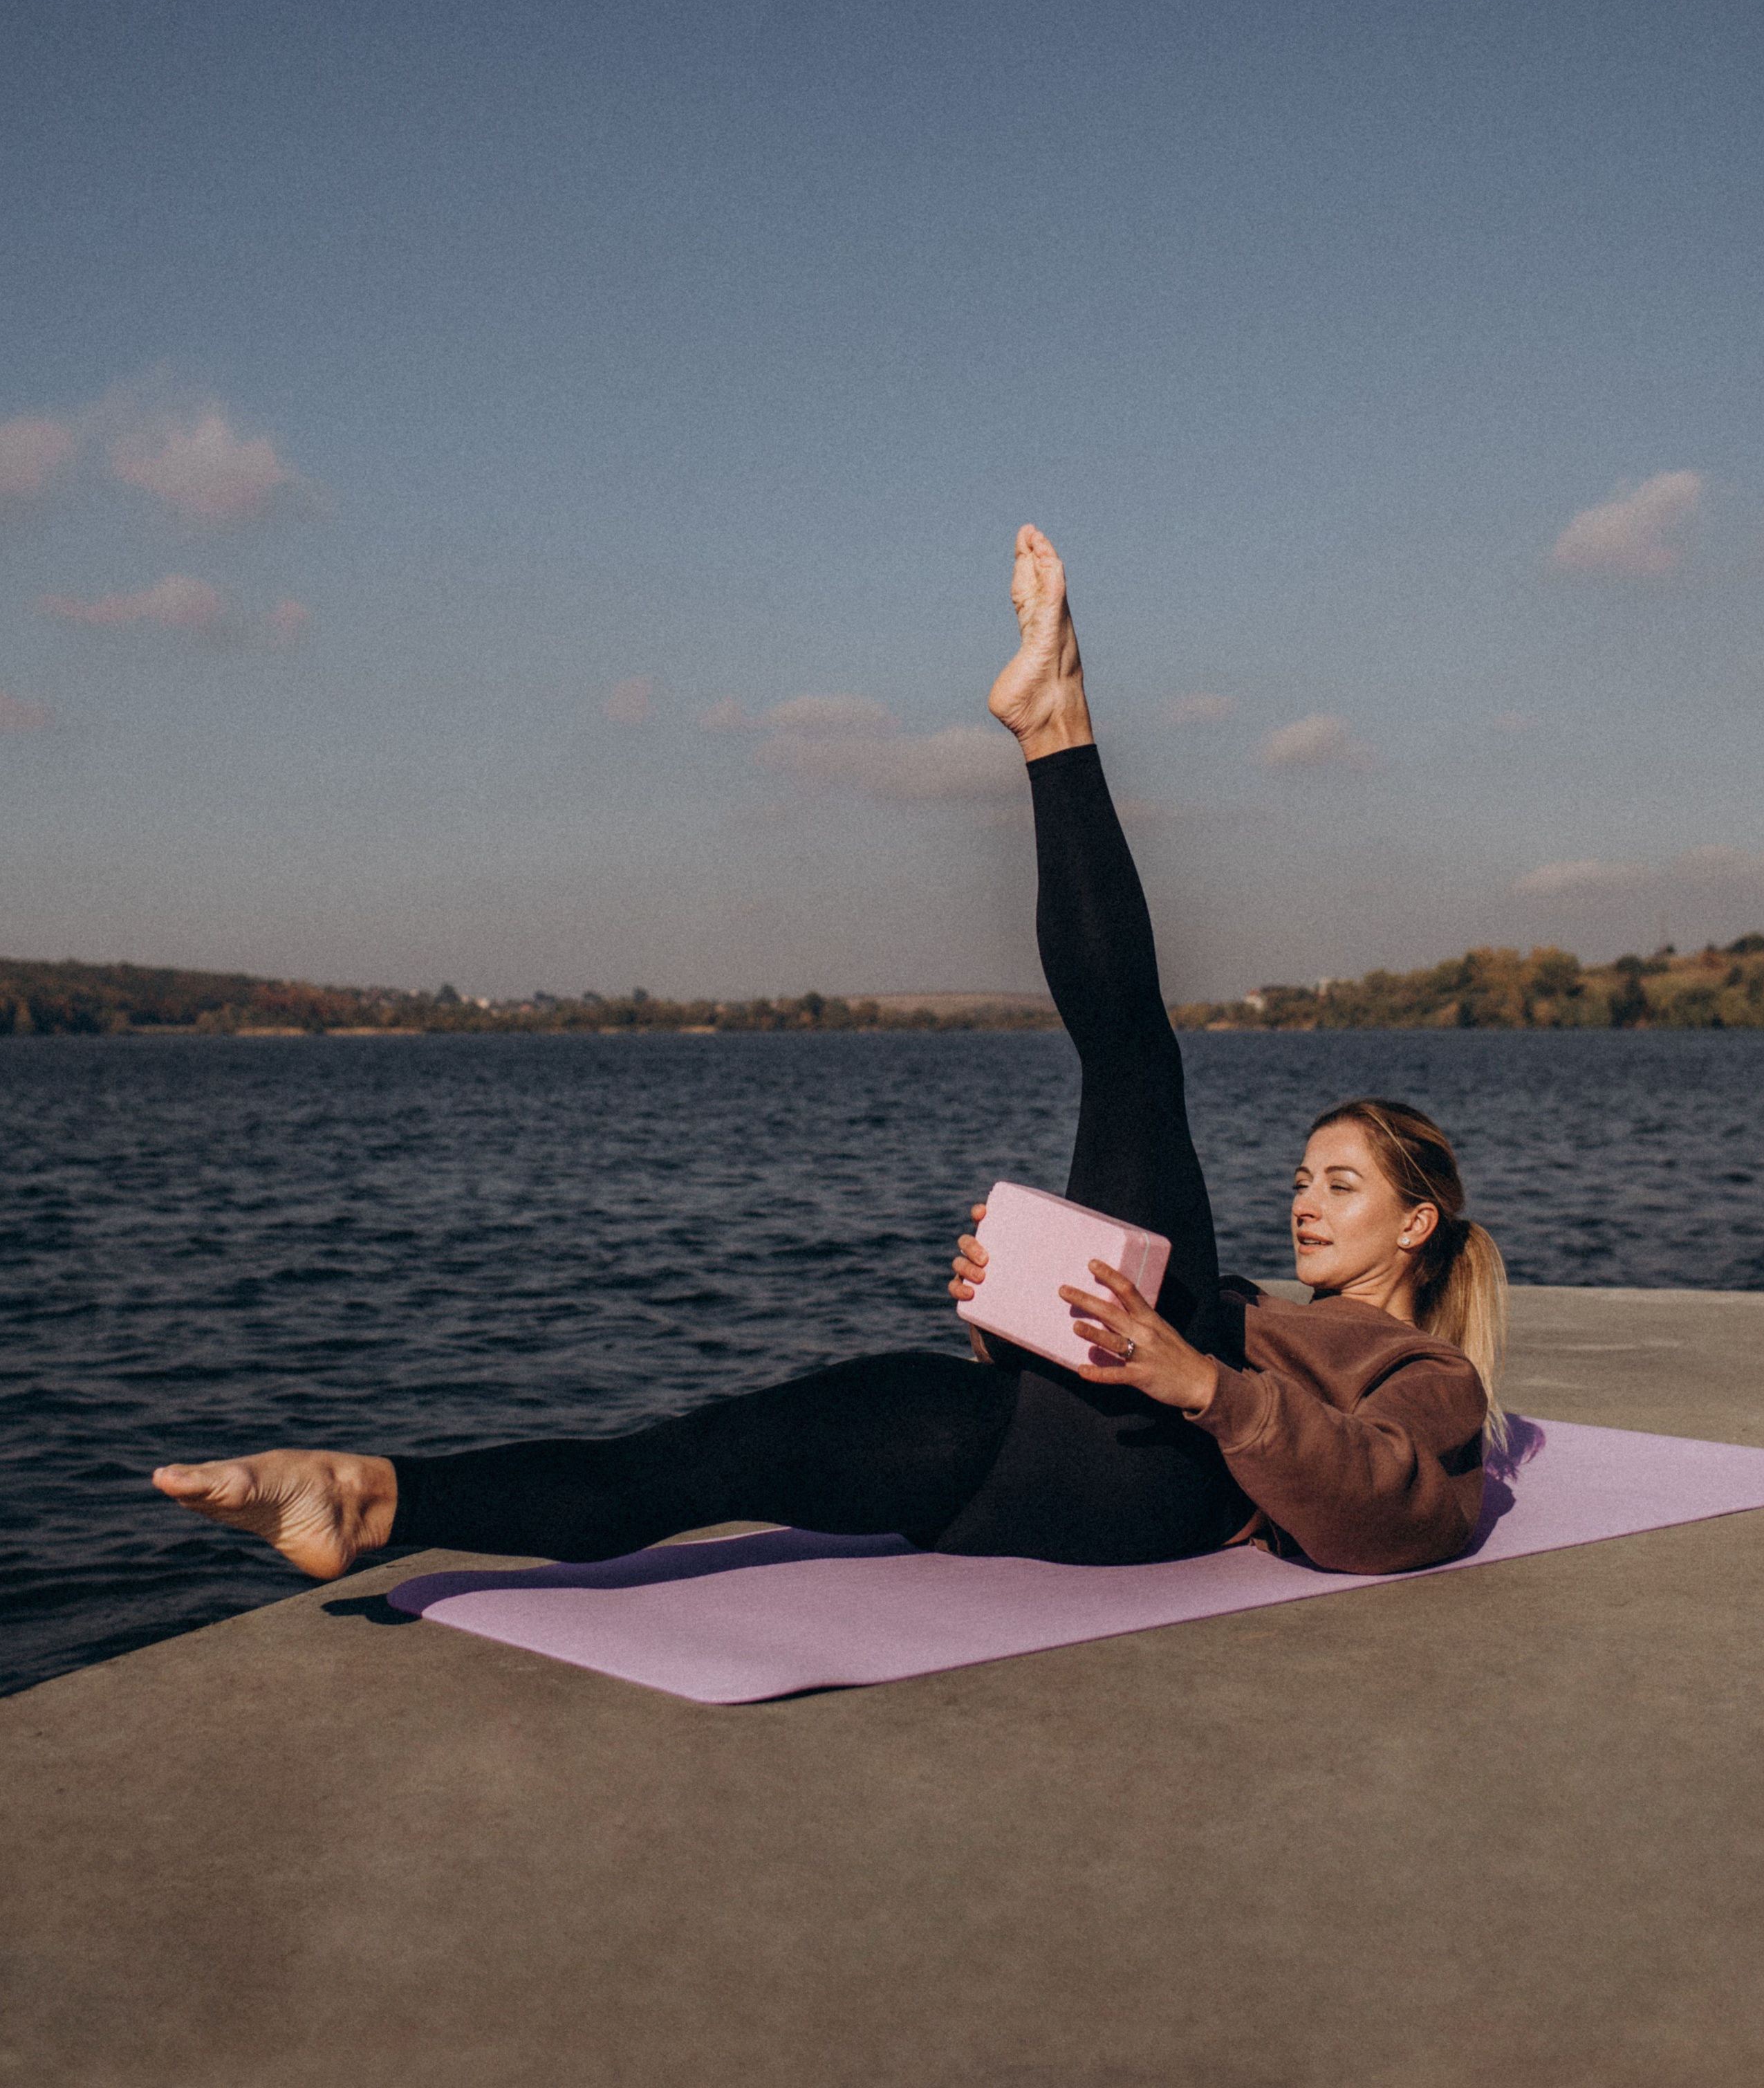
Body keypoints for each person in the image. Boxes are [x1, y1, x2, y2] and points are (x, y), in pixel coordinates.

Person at [153, 527, 1506, 1582]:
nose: (1303, 1199)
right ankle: (369, 1498)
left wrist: (1199, 1377)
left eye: (1338, 1184)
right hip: (1039, 1455)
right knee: (699, 1455)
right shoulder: (1263, 1306)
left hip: (1165, 1480)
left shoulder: (1420, 1378)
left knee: (1136, 1067)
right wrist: (1010, 1316)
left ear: (1419, 1220)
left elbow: (1396, 1520)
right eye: (1305, 1175)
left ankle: (1055, 718)